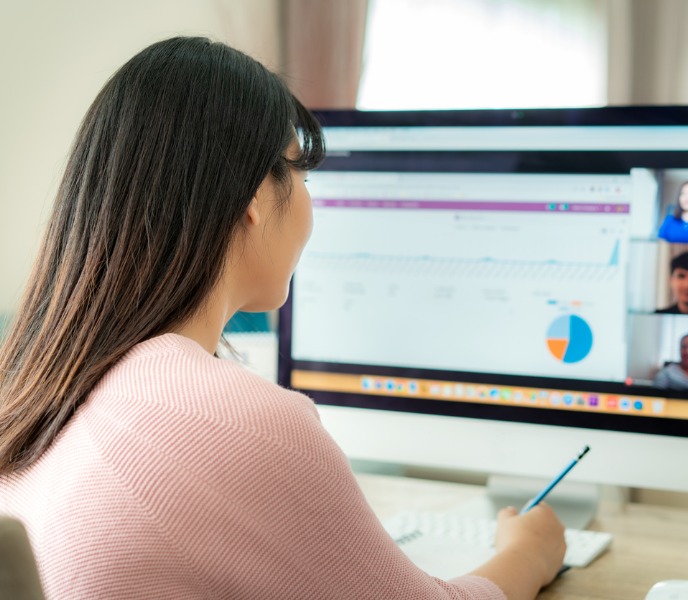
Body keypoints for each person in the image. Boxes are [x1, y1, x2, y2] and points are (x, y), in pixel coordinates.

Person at [0, 38, 565, 599]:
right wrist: (530, 551)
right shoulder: (232, 420)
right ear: (252, 195)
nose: (308, 204)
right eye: (302, 177)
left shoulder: (38, 388)